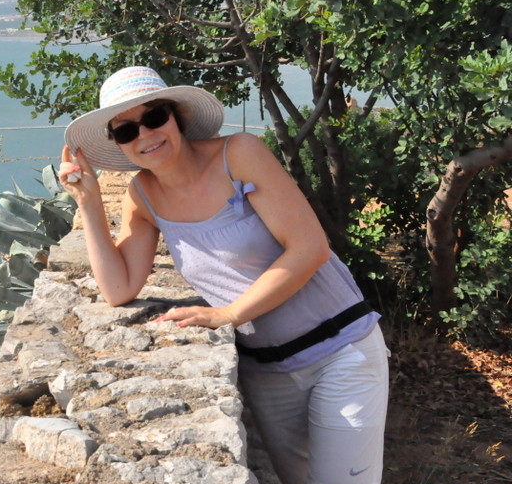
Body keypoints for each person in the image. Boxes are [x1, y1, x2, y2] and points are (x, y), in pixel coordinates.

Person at [58, 66, 389, 484]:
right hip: (267, 372)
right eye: (126, 131)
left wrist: (229, 314)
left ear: (176, 116)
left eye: (154, 117)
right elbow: (118, 289)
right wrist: (87, 202)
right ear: (119, 144)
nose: (144, 135)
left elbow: (310, 248)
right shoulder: (142, 194)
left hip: (341, 349)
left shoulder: (239, 154)